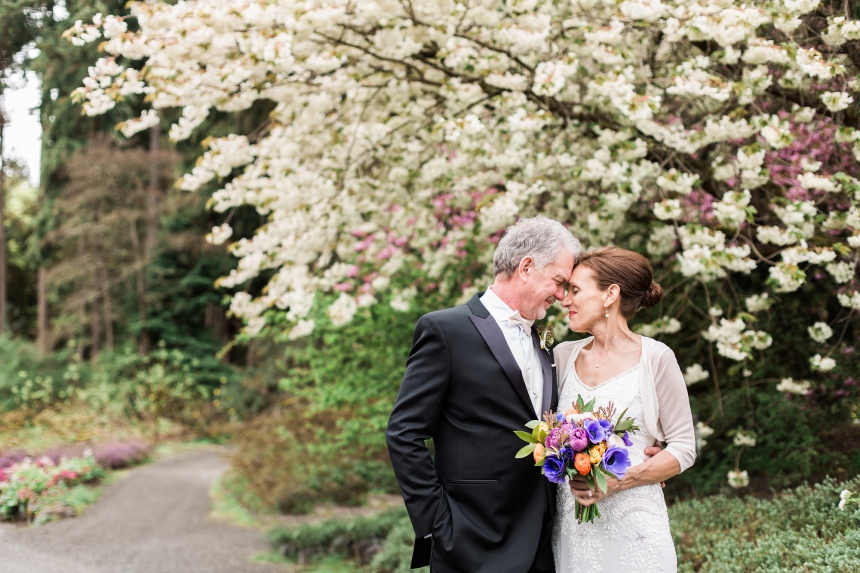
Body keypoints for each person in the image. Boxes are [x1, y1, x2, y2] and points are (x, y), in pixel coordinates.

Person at [386, 216, 581, 573]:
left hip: (542, 542)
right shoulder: (445, 330)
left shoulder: (545, 338)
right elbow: (404, 433)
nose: (561, 295)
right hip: (470, 541)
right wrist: (438, 525)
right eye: (559, 282)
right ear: (526, 267)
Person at [552, 246, 697, 573]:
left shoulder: (656, 358)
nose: (564, 300)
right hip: (572, 533)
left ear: (610, 294)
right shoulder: (562, 357)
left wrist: (617, 480)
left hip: (635, 531)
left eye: (575, 290)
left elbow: (685, 448)